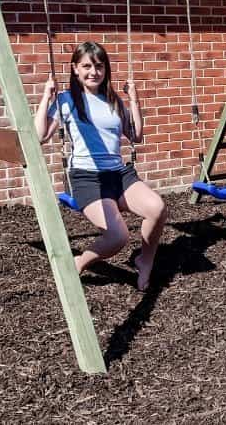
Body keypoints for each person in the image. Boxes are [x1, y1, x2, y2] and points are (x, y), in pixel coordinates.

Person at [34, 41, 168, 291]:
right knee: (118, 237)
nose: (93, 72)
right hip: (88, 178)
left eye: (98, 66)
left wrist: (134, 100)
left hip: (118, 175)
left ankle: (144, 260)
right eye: (86, 66)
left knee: (157, 208)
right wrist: (45, 97)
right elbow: (39, 136)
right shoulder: (67, 100)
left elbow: (136, 135)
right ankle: (81, 261)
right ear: (75, 69)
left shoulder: (113, 99)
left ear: (105, 69)